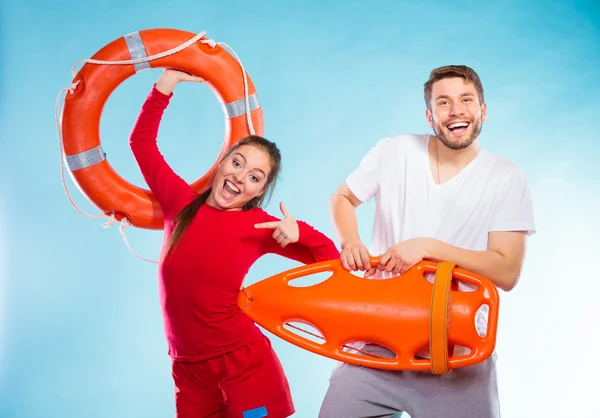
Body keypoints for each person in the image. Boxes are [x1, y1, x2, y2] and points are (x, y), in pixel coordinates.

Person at [319, 65, 535, 418]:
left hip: (456, 352)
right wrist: (350, 242)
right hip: (376, 342)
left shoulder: (507, 177)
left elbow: (507, 270)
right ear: (430, 115)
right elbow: (342, 198)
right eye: (444, 102)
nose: (456, 110)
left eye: (466, 100)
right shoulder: (394, 150)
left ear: (483, 109)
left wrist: (429, 247)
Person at [129, 69, 340, 418]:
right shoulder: (180, 204)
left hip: (244, 365)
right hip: (188, 370)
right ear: (221, 161)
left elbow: (329, 260)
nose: (240, 177)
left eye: (255, 177)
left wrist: (301, 233)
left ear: (259, 191)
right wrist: (167, 83)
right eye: (237, 163)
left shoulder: (259, 225)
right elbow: (141, 143)